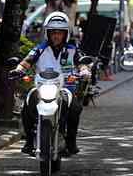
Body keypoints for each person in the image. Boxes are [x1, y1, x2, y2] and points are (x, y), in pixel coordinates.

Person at [11, 11, 89, 156]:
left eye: (60, 32)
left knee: (75, 108)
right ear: (48, 33)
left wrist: (84, 71)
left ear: (66, 34)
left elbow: (81, 63)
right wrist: (18, 69)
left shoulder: (72, 49)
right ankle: (29, 141)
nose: (56, 35)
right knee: (26, 105)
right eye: (53, 32)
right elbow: (27, 61)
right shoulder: (40, 48)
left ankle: (71, 142)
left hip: (65, 88)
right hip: (42, 87)